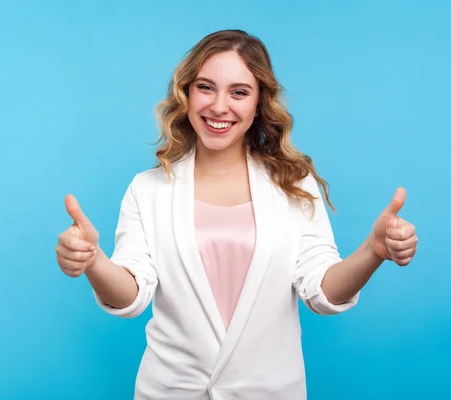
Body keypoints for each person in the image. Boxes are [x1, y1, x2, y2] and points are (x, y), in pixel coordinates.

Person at [55, 29, 418, 400]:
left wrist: (374, 252)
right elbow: (131, 296)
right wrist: (93, 261)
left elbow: (321, 292)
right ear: (186, 93)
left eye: (239, 92)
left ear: (260, 102)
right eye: (206, 87)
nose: (218, 106)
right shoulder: (148, 189)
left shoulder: (293, 184)